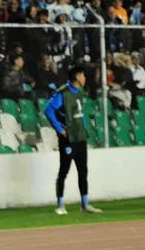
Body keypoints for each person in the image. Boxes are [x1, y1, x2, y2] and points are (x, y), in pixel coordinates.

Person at [44, 66, 103, 215]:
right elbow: (48, 110)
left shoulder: (80, 92)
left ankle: (85, 204)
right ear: (77, 77)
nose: (85, 78)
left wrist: (83, 129)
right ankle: (60, 204)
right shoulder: (62, 93)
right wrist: (60, 129)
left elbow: (79, 113)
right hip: (68, 138)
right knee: (64, 170)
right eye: (83, 75)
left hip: (80, 137)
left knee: (83, 171)